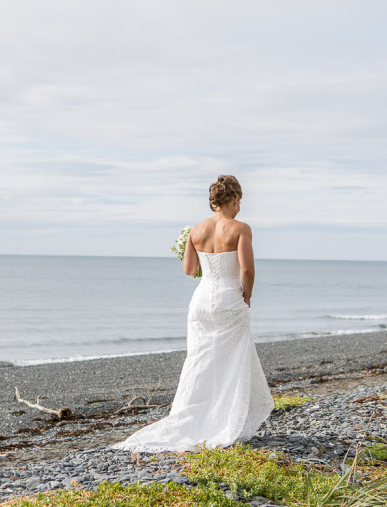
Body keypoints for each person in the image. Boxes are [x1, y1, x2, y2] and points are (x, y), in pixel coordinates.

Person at [112, 175, 273, 452]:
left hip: (200, 301)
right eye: (239, 202)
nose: (239, 208)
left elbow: (189, 270)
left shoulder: (195, 231)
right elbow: (246, 270)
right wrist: (247, 295)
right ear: (234, 200)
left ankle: (190, 416)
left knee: (199, 360)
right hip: (229, 300)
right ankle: (223, 419)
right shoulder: (241, 229)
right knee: (231, 361)